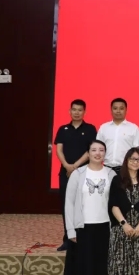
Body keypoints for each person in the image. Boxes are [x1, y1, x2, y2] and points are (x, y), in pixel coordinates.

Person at [64, 140, 116, 275]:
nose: (97, 153)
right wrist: (70, 229)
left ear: (105, 153)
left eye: (101, 150)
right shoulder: (78, 174)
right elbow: (69, 203)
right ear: (88, 153)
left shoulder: (111, 174)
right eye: (93, 150)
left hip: (104, 225)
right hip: (82, 225)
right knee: (83, 262)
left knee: (101, 262)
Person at [54, 99, 97, 251]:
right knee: (67, 205)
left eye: (80, 110)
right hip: (65, 173)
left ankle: (83, 238)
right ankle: (68, 238)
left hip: (85, 173)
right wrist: (67, 165)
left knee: (85, 205)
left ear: (84, 112)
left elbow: (91, 150)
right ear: (69, 111)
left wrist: (75, 166)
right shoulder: (63, 129)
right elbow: (59, 150)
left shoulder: (90, 129)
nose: (76, 112)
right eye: (74, 109)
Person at [97, 98, 139, 172]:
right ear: (111, 110)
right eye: (115, 108)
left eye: (121, 108)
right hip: (106, 168)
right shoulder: (103, 127)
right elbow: (98, 148)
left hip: (126, 169)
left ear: (126, 110)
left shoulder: (134, 128)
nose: (118, 111)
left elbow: (136, 150)